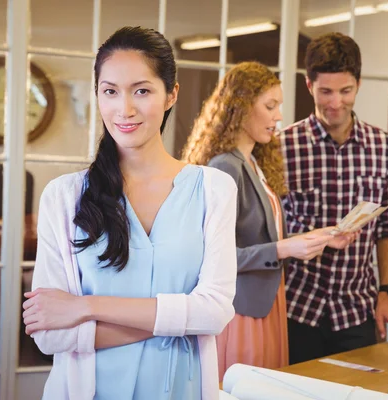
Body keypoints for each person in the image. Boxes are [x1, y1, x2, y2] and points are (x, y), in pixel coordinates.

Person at [21, 26, 237, 400]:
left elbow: (215, 313)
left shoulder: (214, 189)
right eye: (110, 92)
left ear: (171, 95)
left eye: (142, 90)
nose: (125, 109)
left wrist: (85, 307)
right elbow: (50, 333)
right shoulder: (63, 196)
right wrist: (178, 322)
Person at [182, 61, 358, 380]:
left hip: (266, 305)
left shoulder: (251, 161)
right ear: (241, 107)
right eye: (270, 106)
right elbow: (213, 257)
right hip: (241, 311)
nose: (279, 116)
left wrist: (322, 237)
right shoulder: (226, 167)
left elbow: (264, 238)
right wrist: (284, 249)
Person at [278, 32, 388, 365]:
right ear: (309, 86)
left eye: (345, 91)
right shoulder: (281, 147)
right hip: (295, 310)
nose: (335, 102)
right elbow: (266, 232)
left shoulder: (383, 147)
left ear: (358, 84)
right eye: (325, 91)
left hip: (356, 312)